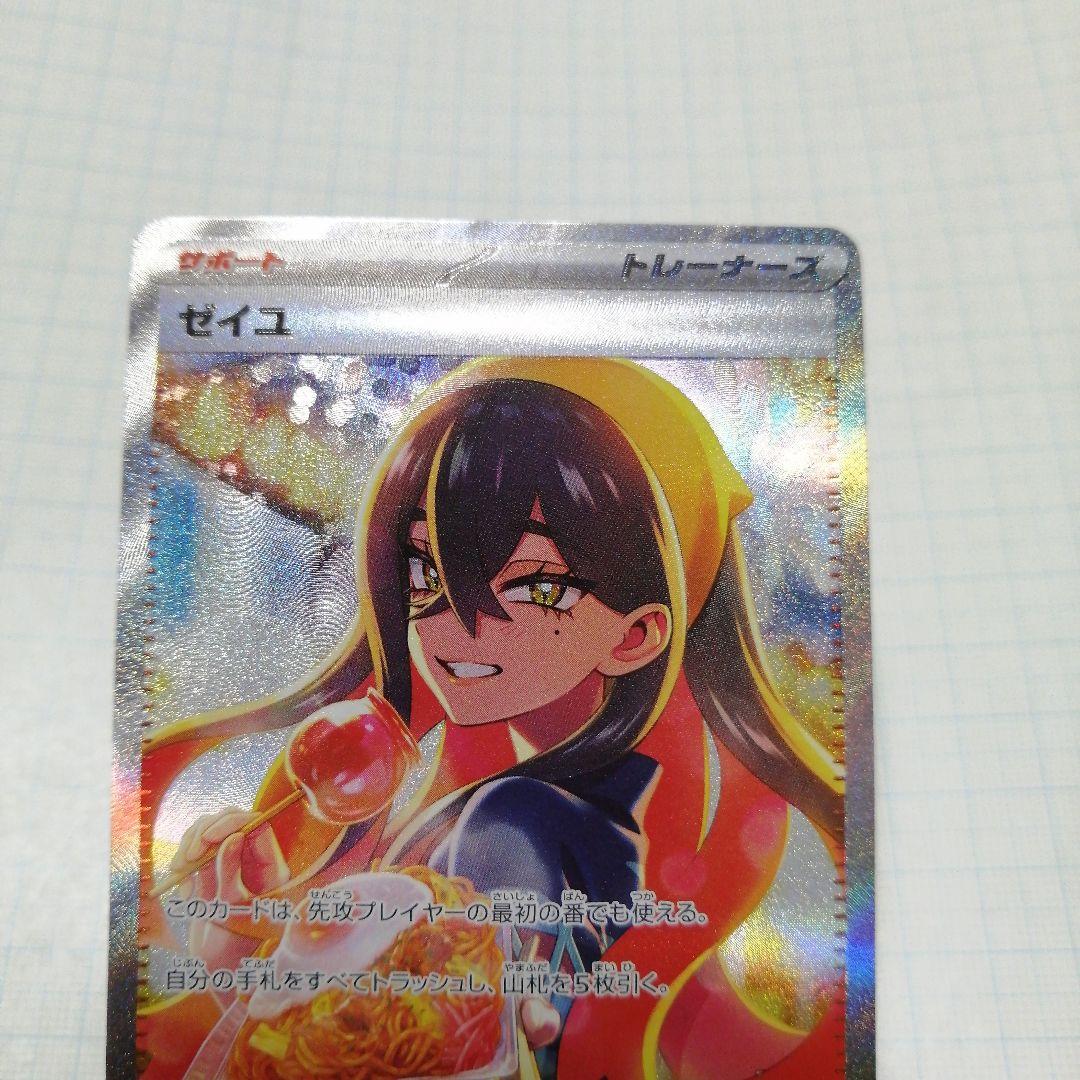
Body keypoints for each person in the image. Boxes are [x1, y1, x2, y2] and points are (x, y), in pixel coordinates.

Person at [144, 357, 843, 1078]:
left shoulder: (513, 824)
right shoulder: (572, 820)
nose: (459, 625)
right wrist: (247, 944)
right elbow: (695, 1038)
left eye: (538, 587)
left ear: (637, 634)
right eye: (428, 572)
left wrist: (256, 958)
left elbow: (430, 1048)